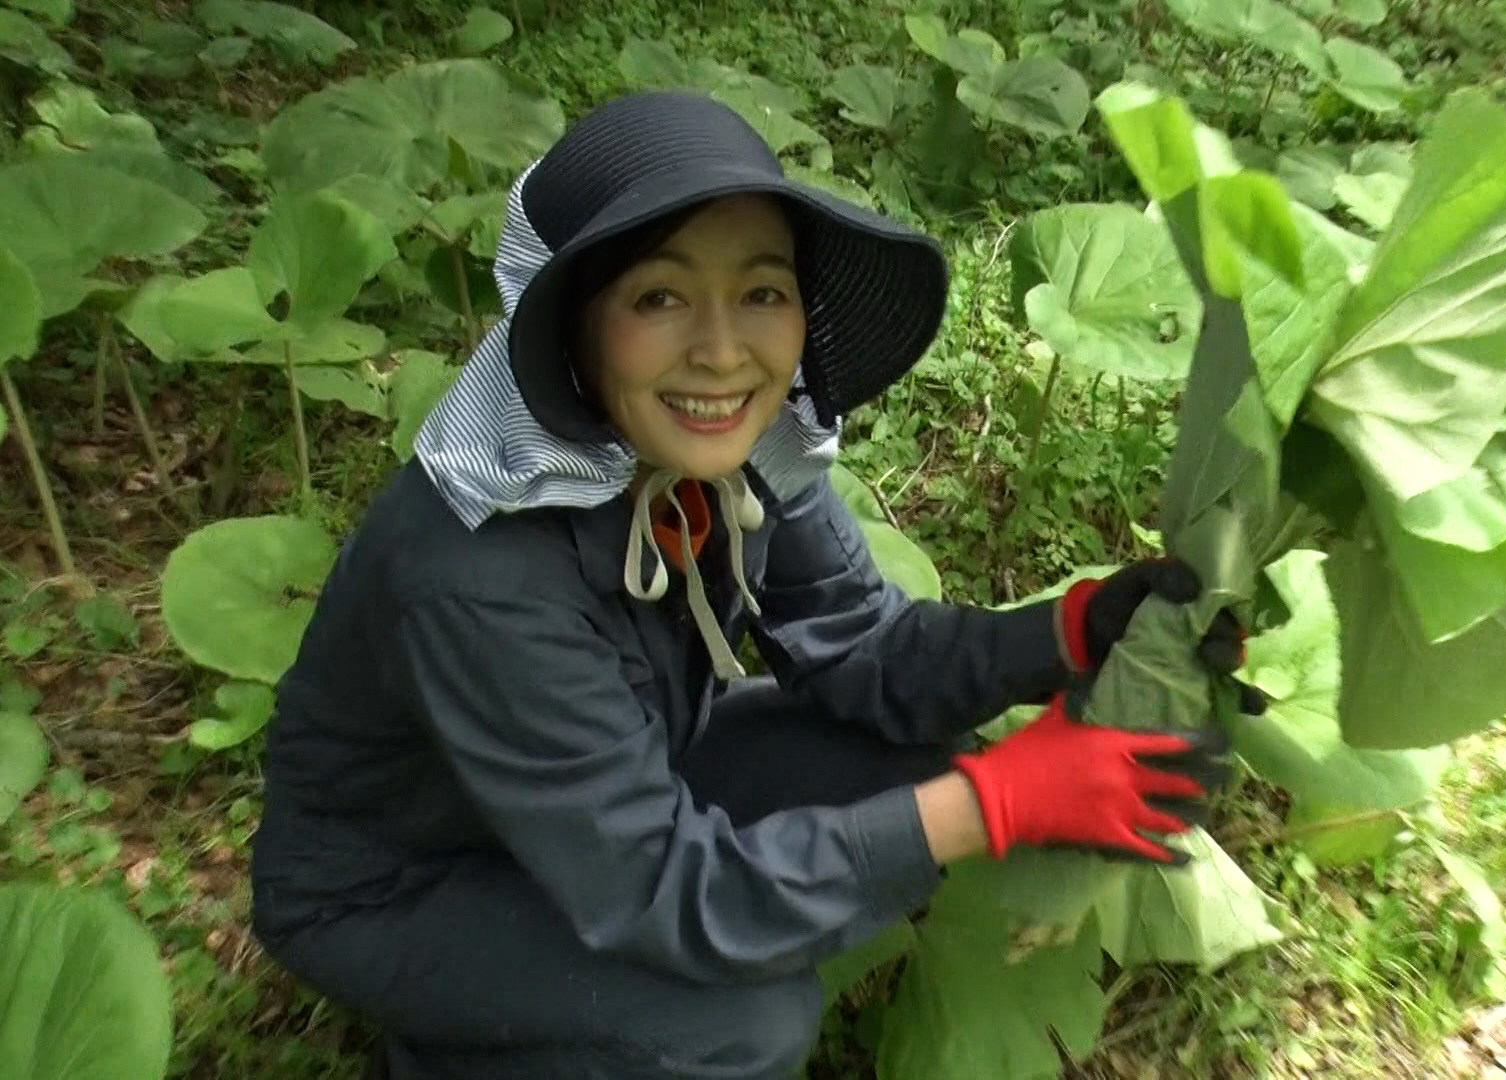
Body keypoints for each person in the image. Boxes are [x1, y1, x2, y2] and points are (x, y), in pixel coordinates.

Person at [247, 90, 1262, 1080]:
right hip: (407, 885)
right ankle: (466, 1042)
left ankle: (550, 1005)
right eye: (659, 297)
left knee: (913, 754)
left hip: (609, 800)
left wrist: (1073, 632)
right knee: (742, 1021)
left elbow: (865, 647)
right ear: (574, 327)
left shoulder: (738, 451)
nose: (724, 351)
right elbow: (662, 887)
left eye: (763, 292)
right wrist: (993, 803)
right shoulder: (482, 568)